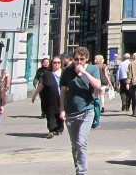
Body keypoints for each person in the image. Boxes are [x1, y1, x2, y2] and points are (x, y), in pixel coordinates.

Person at [59, 46, 101, 175]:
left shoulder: (93, 69)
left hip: (87, 110)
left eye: (81, 59)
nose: (78, 62)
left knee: (81, 142)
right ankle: (78, 168)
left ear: (86, 59)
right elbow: (63, 91)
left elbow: (98, 85)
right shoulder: (67, 71)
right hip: (71, 112)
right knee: (74, 145)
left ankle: (82, 172)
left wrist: (85, 72)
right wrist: (62, 109)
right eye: (76, 59)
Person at [32, 56, 64, 137]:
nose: (56, 64)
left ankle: (59, 129)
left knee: (60, 113)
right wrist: (35, 94)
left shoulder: (64, 73)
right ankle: (52, 130)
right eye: (54, 62)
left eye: (58, 62)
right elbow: (41, 85)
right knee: (50, 113)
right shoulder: (47, 74)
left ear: (61, 64)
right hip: (50, 98)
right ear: (51, 64)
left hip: (62, 97)